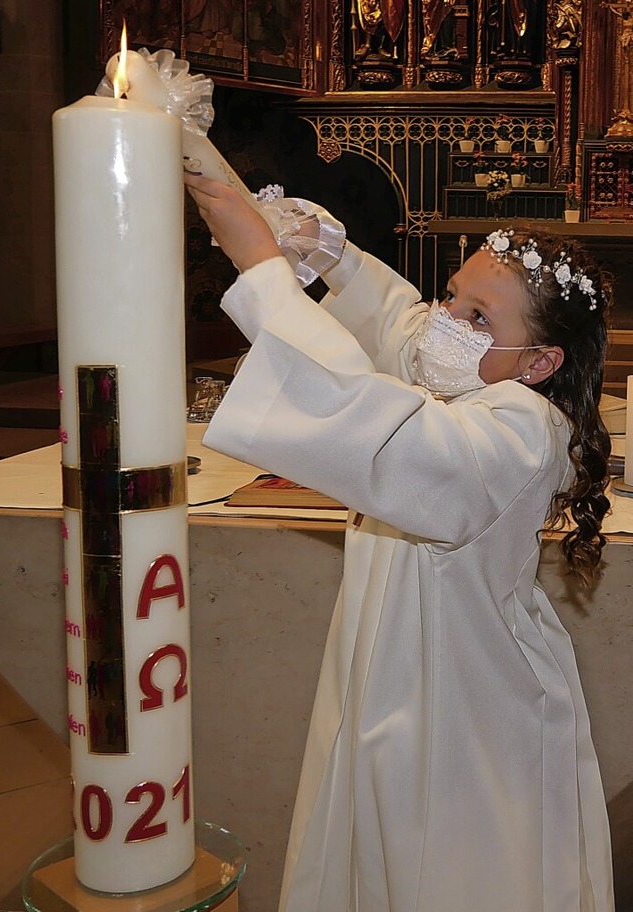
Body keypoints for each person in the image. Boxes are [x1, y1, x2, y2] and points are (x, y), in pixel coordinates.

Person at [184, 172, 615, 912]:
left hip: (464, 694)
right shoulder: (469, 376)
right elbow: (399, 324)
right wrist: (329, 256)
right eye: (453, 294)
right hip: (402, 668)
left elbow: (395, 439)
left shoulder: (523, 427)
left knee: (451, 861)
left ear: (541, 364)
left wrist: (266, 277)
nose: (445, 319)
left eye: (477, 316)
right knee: (377, 838)